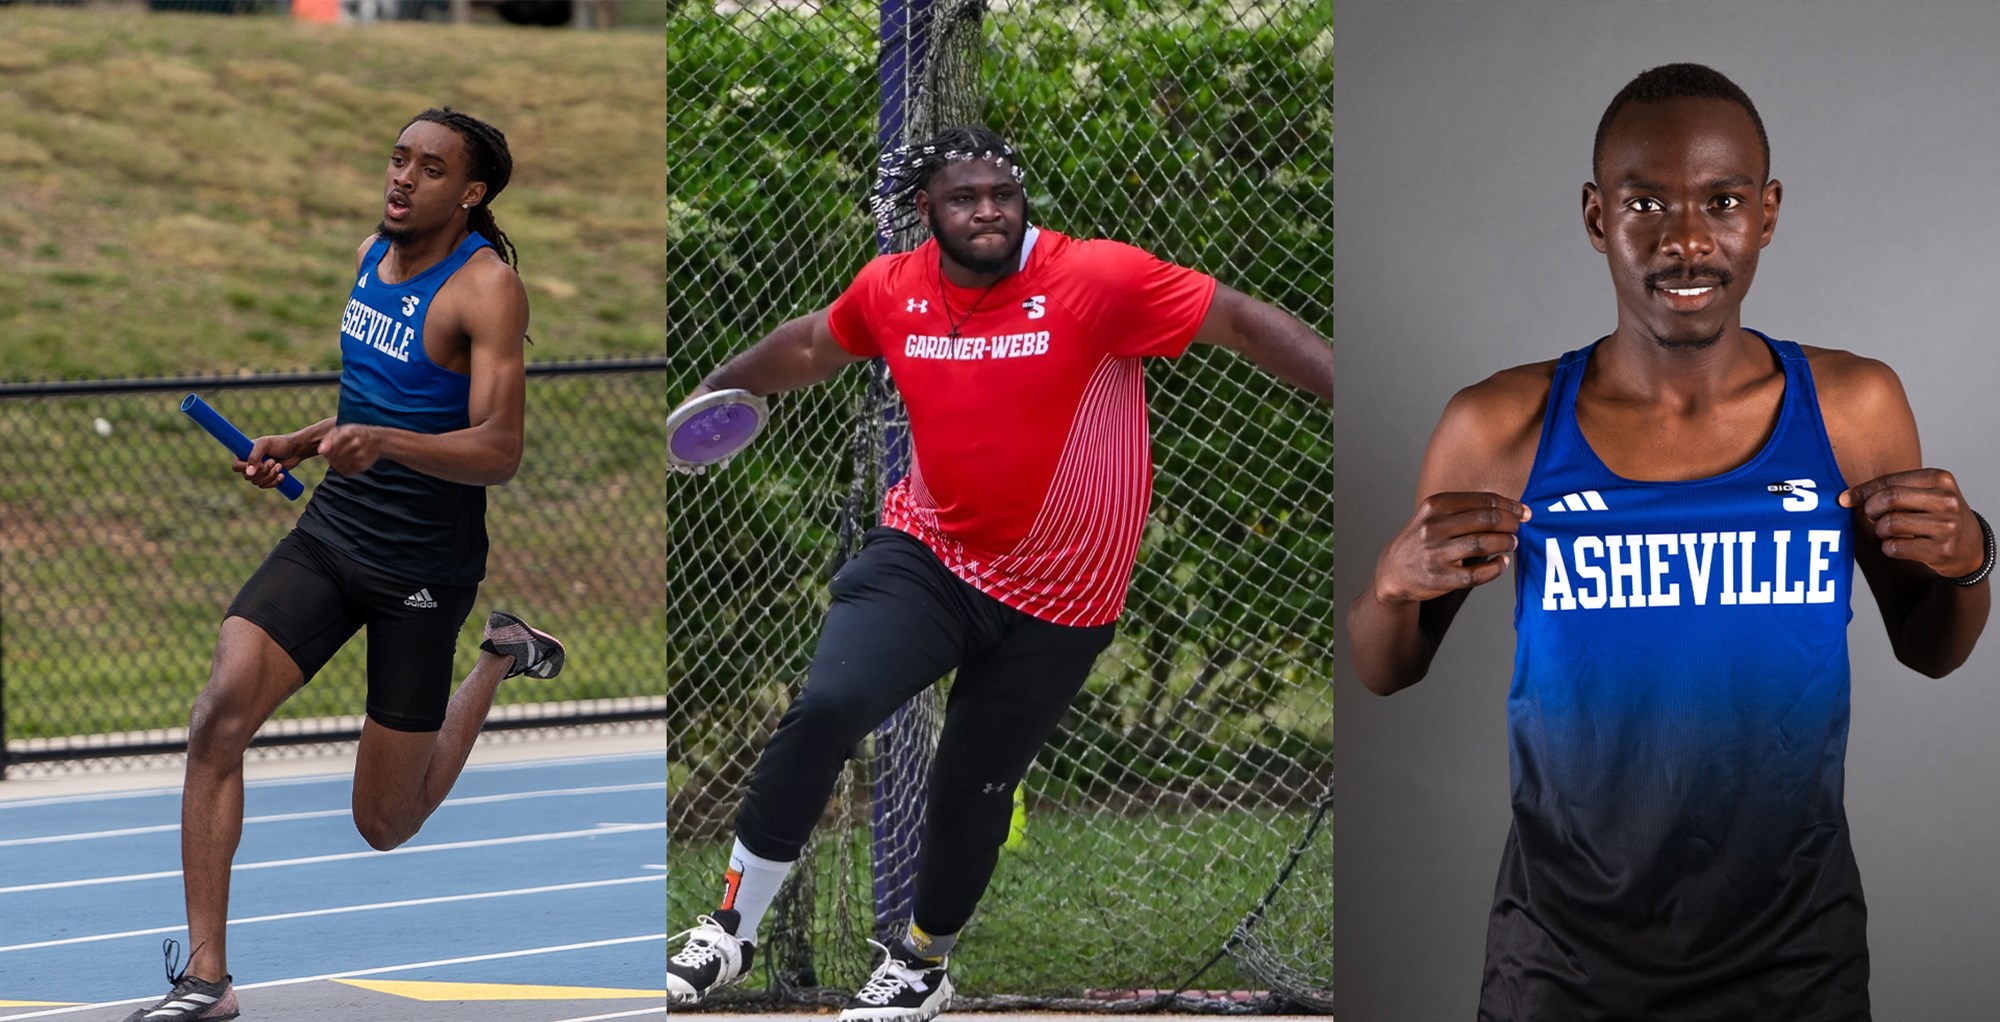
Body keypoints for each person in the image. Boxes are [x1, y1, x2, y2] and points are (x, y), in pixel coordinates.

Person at [1346, 63, 1991, 1020]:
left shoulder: (1852, 409)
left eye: (1722, 201)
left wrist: (1971, 555)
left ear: (1766, 214)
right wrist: (1393, 588)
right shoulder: (1502, 426)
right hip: (1561, 961)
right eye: (1646, 203)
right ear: (1597, 216)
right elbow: (1383, 671)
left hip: (1792, 957)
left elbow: (1933, 649)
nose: (1687, 241)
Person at [667, 124, 1332, 1020]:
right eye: (963, 198)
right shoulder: (891, 290)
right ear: (923, 212)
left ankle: (921, 965)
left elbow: (1244, 321)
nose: (988, 212)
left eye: (1002, 196)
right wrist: (719, 390)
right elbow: (811, 345)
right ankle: (728, 933)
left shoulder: (1097, 279)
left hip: (1065, 593)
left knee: (973, 783)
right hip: (929, 554)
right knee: (828, 705)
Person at [125, 108, 566, 1022]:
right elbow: (374, 403)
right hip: (331, 533)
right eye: (399, 159)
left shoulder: (486, 291)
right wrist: (302, 439)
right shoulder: (373, 254)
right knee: (218, 716)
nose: (404, 178)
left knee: (384, 825)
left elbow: (499, 449)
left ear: (471, 192)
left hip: (423, 565)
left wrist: (387, 444)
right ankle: (207, 980)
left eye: (431, 168)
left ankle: (499, 654)